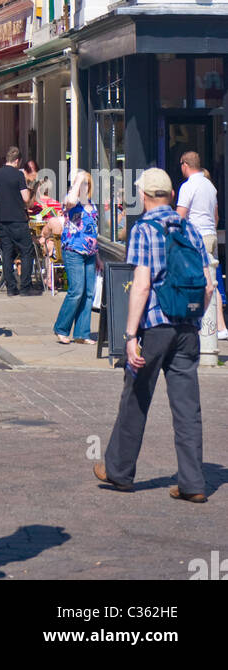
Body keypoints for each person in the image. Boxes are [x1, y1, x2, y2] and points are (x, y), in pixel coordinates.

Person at [95, 168, 212, 501]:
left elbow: (141, 285)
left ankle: (118, 470)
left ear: (144, 196)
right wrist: (195, 318)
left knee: (136, 395)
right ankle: (193, 483)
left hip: (156, 327)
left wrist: (130, 335)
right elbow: (207, 284)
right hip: (187, 328)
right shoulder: (190, 229)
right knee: (188, 407)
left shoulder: (144, 230)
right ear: (171, 195)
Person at [44, 171, 100, 345]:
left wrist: (98, 256)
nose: (84, 187)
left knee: (89, 293)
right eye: (81, 184)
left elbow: (94, 231)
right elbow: (70, 200)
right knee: (76, 291)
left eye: (86, 184)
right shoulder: (70, 203)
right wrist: (79, 179)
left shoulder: (91, 205)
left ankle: (82, 333)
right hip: (73, 250)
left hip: (90, 252)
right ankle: (61, 328)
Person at [177, 153, 228, 338]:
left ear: (185, 165)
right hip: (210, 236)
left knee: (197, 283)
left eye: (180, 165)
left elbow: (180, 216)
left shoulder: (188, 186)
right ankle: (219, 327)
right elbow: (216, 217)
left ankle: (203, 327)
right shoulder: (209, 186)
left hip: (195, 238)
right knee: (211, 282)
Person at [0, 146, 37, 296]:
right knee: (26, 251)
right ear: (17, 161)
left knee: (7, 254)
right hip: (18, 220)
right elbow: (26, 198)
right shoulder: (18, 175)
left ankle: (11, 288)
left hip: (3, 220)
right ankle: (25, 287)